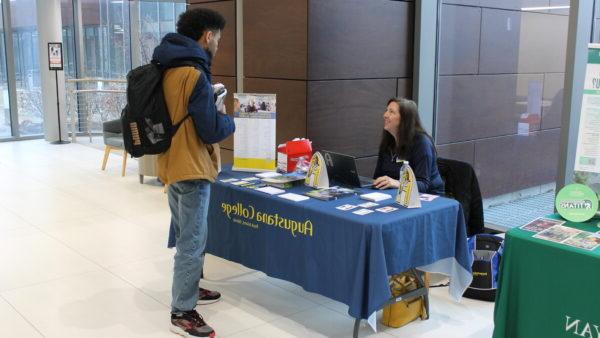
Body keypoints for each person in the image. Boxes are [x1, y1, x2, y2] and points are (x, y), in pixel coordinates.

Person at [153, 8, 235, 338]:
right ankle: (183, 311)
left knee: (187, 233)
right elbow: (212, 130)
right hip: (192, 167)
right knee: (192, 239)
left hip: (170, 162)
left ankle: (190, 289)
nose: (218, 44)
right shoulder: (194, 74)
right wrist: (228, 118)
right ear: (207, 35)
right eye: (218, 38)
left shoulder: (165, 66)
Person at [373, 98, 444, 195]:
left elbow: (423, 185)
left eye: (391, 112)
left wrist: (397, 183)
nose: (385, 115)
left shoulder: (422, 143)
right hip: (396, 194)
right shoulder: (388, 141)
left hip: (426, 197)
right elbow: (378, 176)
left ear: (405, 119)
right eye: (386, 110)